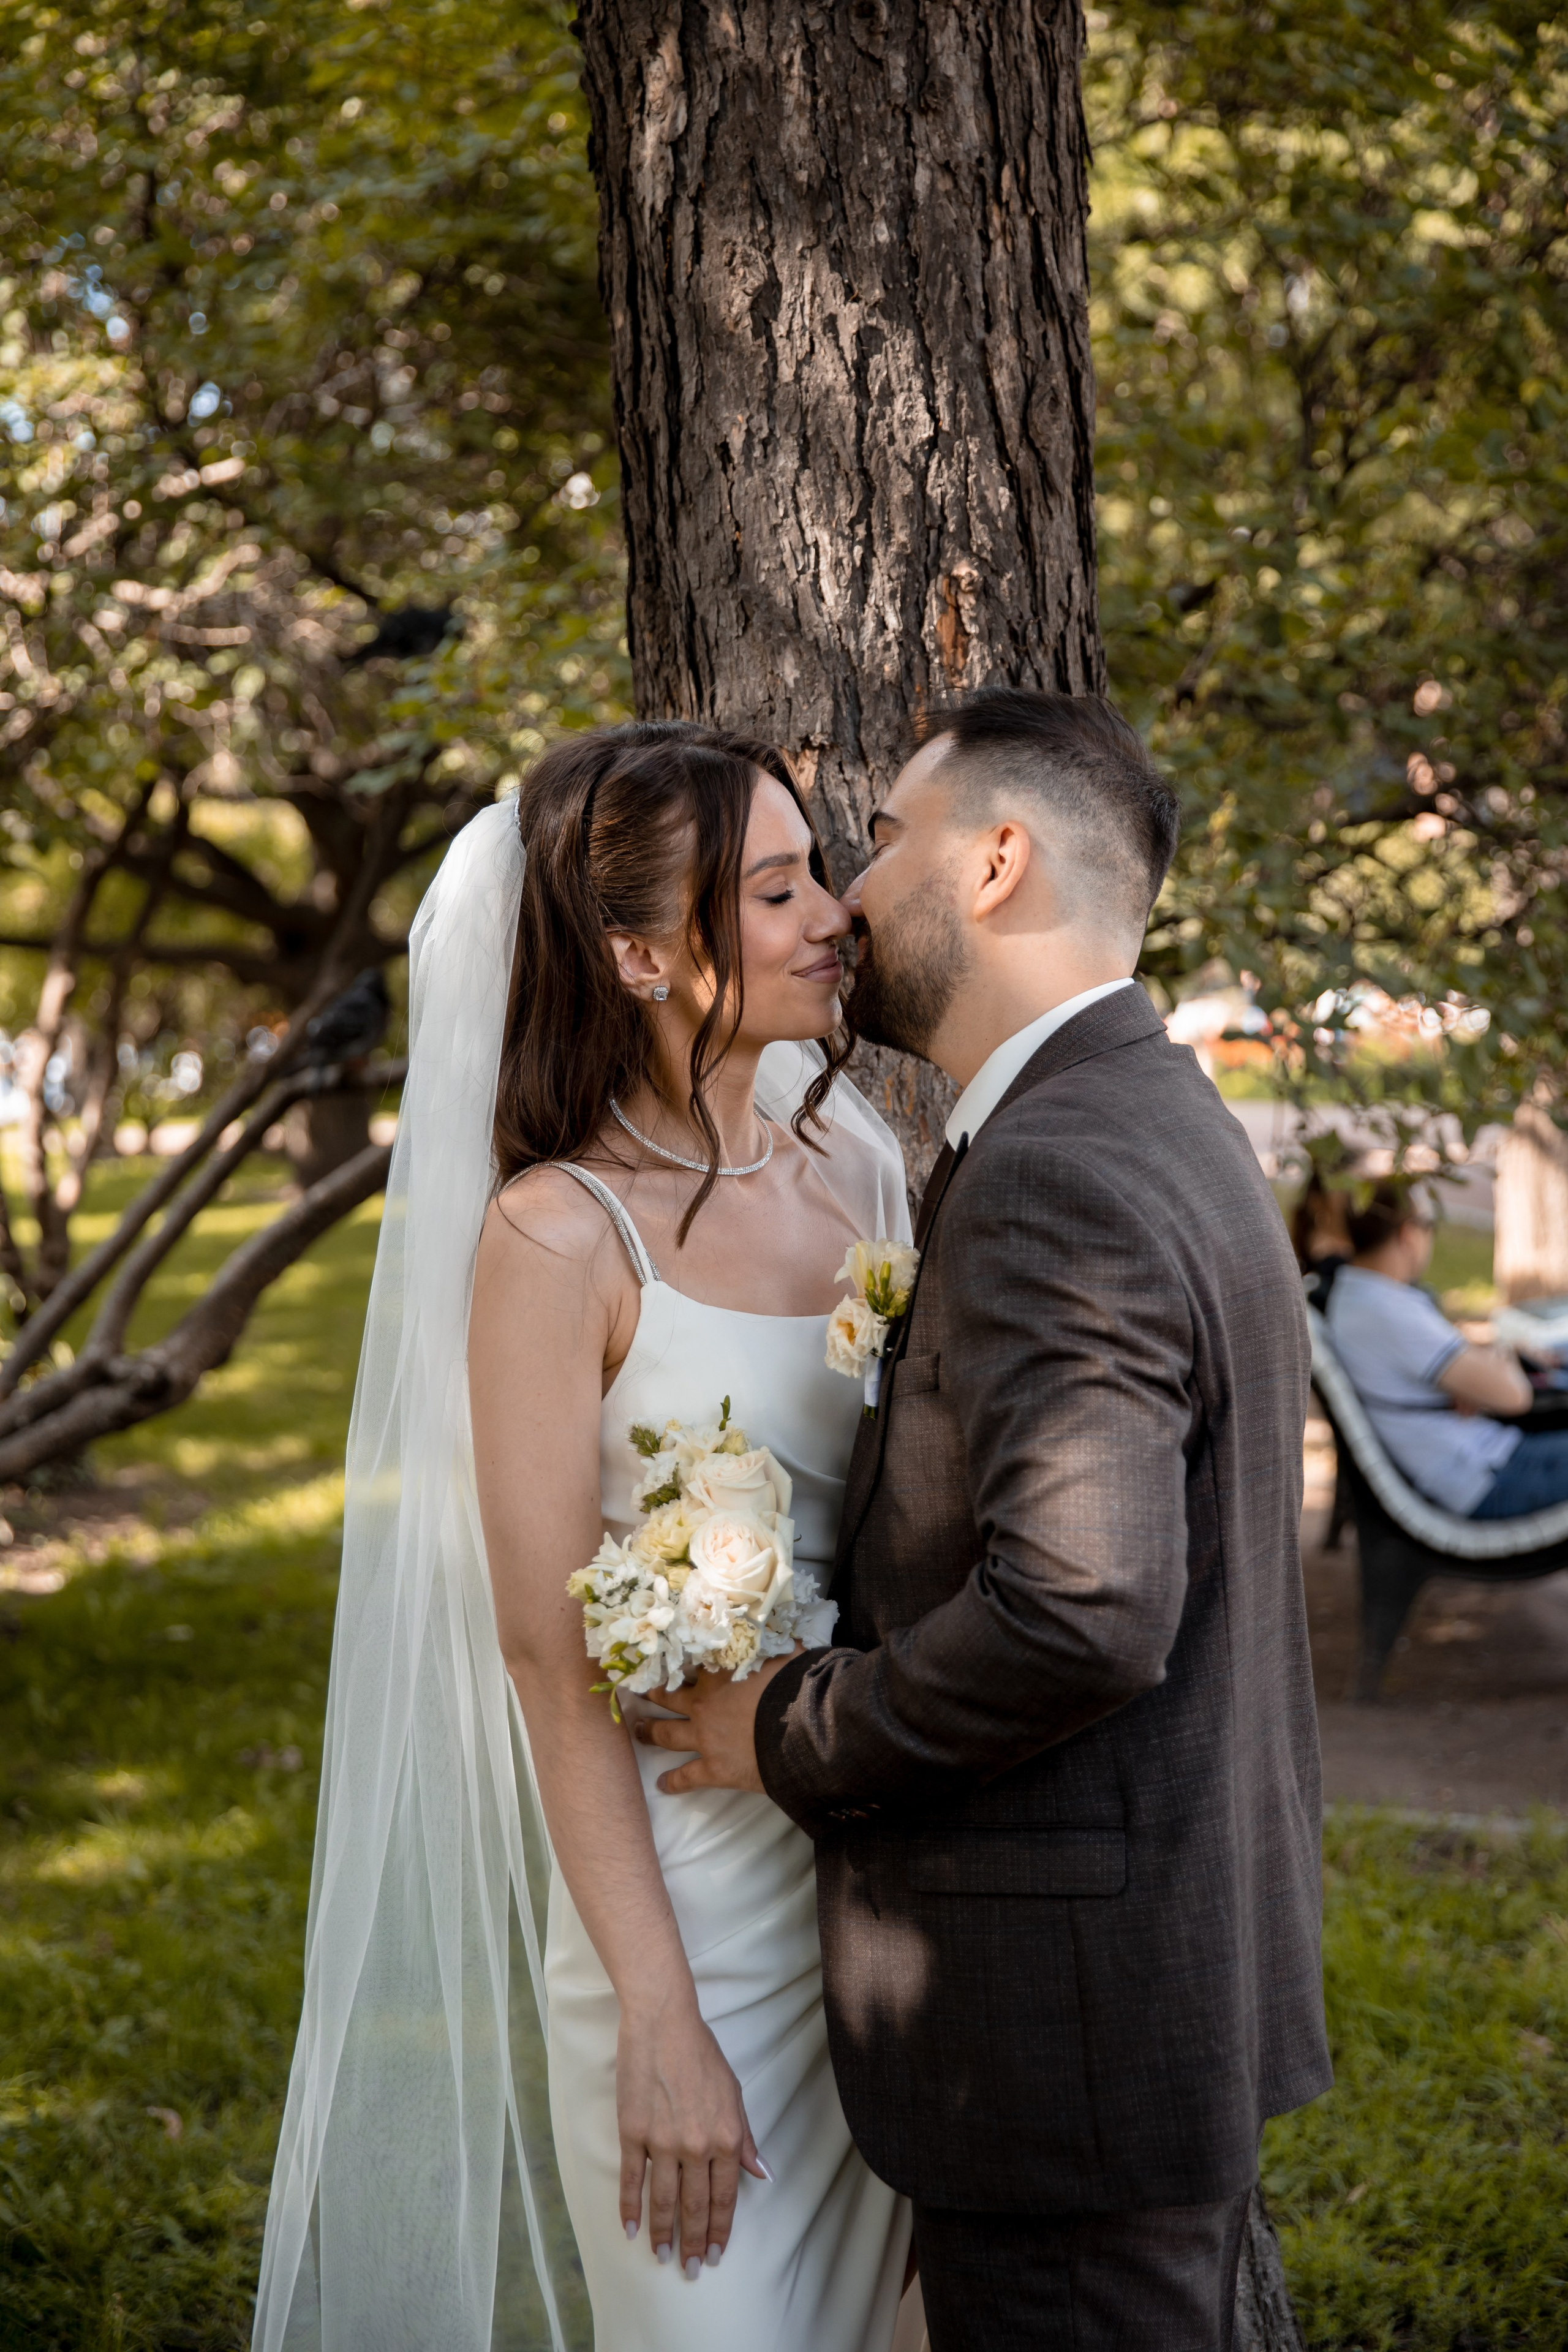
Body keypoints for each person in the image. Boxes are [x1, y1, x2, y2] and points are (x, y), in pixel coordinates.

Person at [642, 687, 1332, 2352]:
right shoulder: (1146, 1113)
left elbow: (1082, 1608)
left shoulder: (1054, 1171)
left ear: (997, 862)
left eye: (882, 841)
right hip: (1140, 1983)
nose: (852, 893)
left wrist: (780, 1724)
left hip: (1064, 2036)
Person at [252, 722, 917, 2352]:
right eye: (775, 892)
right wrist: (660, 2021)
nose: (834, 915)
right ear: (639, 955)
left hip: (889, 1888)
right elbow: (551, 1667)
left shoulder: (862, 1168)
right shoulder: (559, 1236)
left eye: (818, 875)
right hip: (683, 1906)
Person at [1325, 1181, 1568, 1520]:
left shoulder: (1358, 1295)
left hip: (1479, 1460)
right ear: (1408, 1234)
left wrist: (1472, 1376)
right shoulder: (1389, 1311)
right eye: (1430, 1225)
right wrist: (1501, 1359)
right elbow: (1515, 1397)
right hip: (1490, 1475)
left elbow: (1462, 1368)